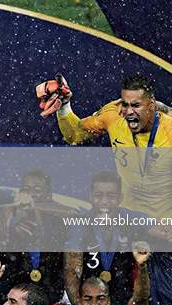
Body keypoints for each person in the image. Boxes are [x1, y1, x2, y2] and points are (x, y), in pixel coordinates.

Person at [51, 73, 172, 218]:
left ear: (151, 105)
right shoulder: (113, 115)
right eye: (125, 104)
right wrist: (64, 106)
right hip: (126, 220)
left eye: (136, 105)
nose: (129, 112)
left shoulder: (169, 128)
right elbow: (74, 135)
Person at [65, 171, 147, 305]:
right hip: (91, 303)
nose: (104, 201)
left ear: (120, 198)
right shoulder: (79, 225)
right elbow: (72, 272)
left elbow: (163, 230)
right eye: (98, 195)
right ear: (90, 197)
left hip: (124, 304)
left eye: (111, 196)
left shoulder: (132, 219)